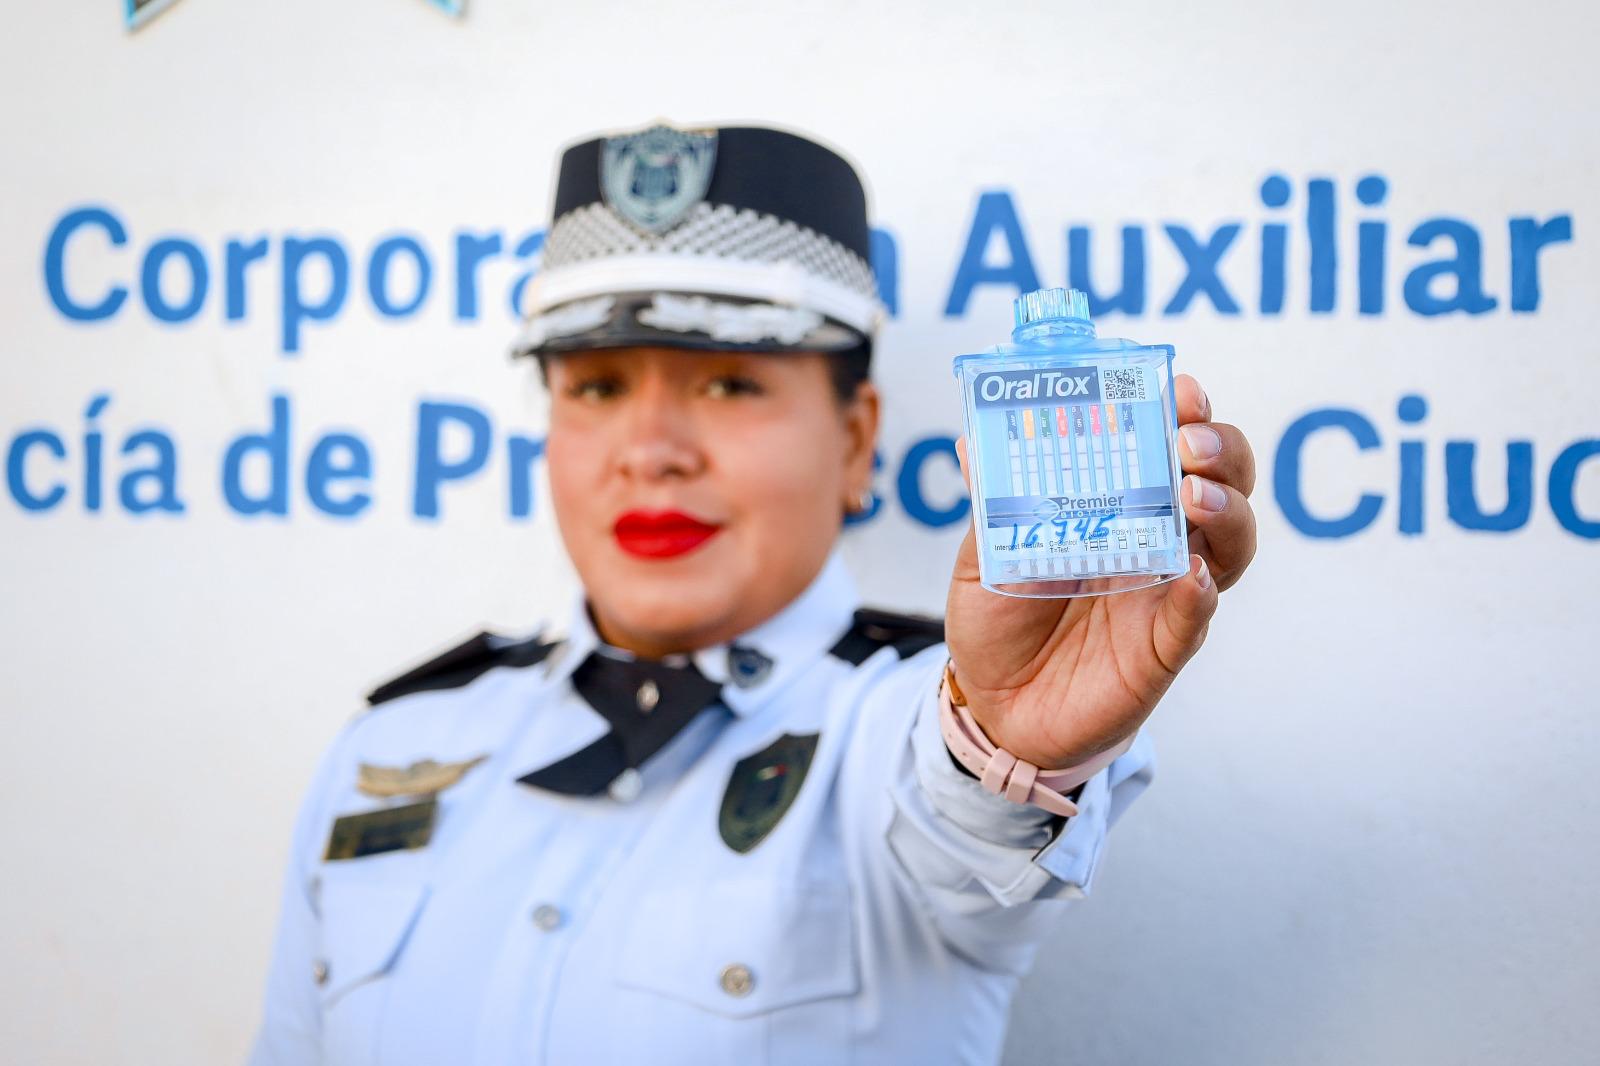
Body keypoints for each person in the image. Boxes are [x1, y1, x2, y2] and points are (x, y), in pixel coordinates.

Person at [249, 121, 1258, 1065]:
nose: (650, 452)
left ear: (855, 439)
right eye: (596, 387)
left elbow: (963, 830)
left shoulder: (919, 720)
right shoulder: (391, 748)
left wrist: (1010, 748)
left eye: (729, 383)